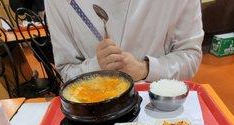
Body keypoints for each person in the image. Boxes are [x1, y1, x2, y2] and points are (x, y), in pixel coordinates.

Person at [44, 0, 204, 83]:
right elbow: (66, 70)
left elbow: (190, 55)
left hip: (157, 105)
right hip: (94, 108)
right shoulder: (60, 3)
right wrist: (95, 66)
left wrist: (146, 69)